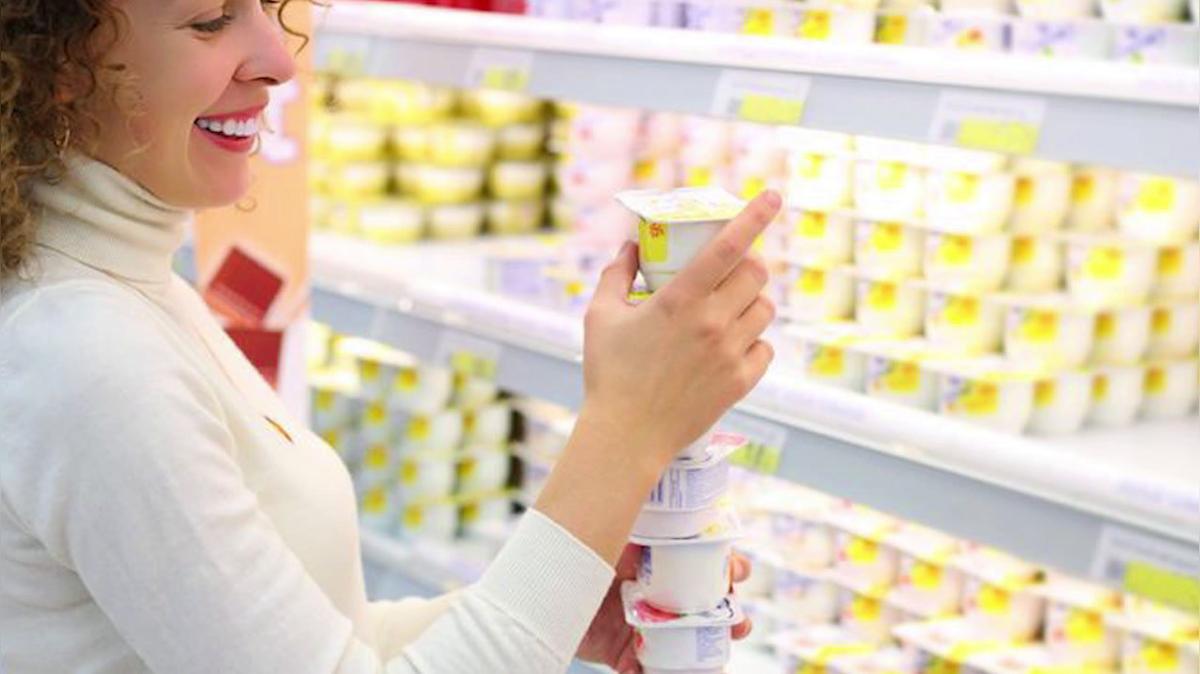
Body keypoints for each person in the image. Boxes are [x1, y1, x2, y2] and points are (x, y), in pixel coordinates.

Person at [0, 1, 781, 672]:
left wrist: (557, 601)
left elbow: (329, 648)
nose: (278, 61)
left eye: (268, 9)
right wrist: (628, 428)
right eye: (210, 21)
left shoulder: (118, 287)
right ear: (57, 62)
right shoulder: (88, 356)